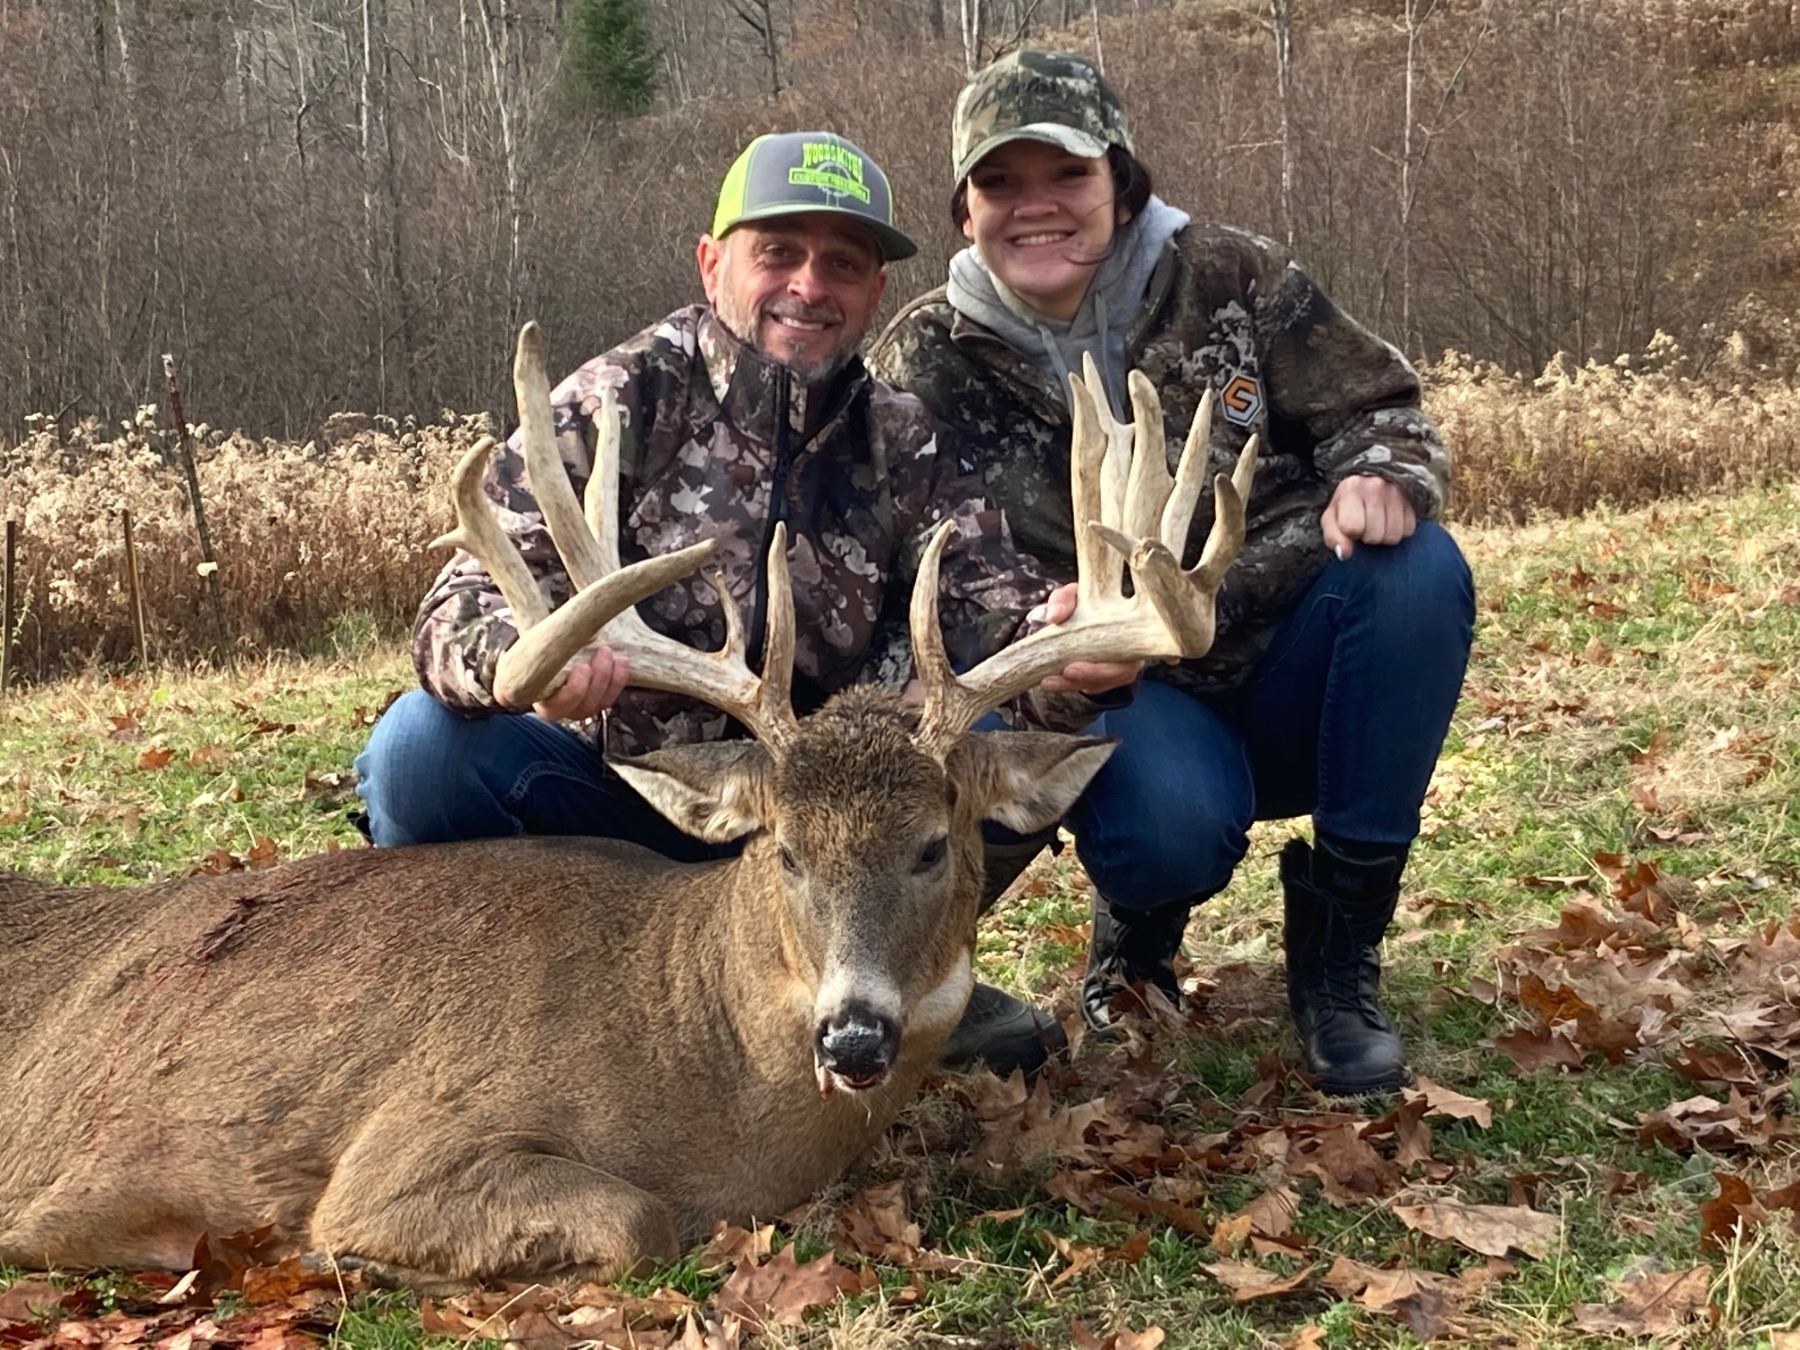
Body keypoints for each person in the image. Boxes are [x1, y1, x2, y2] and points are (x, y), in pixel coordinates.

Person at [354, 130, 1134, 1078]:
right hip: (635, 799)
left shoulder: (904, 439)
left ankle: (895, 982)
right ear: (712, 262)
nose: (809, 285)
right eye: (778, 252)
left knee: (994, 739)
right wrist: (523, 661)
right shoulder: (615, 402)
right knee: (420, 754)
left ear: (874, 292)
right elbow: (460, 604)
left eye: (842, 263)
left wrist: (1069, 658)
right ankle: (486, 1020)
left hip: (838, 841)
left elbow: (1001, 614)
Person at [869, 53, 1476, 1096]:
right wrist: (1045, 646)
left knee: (1417, 572)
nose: (1035, 207)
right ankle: (1138, 938)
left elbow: (1380, 407)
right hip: (1130, 693)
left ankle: (1339, 958)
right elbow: (918, 573)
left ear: (1120, 179)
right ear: (966, 211)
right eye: (1000, 184)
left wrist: (1382, 475)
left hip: (1289, 650)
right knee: (1169, 834)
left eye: (1067, 175)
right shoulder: (927, 358)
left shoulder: (1232, 278)